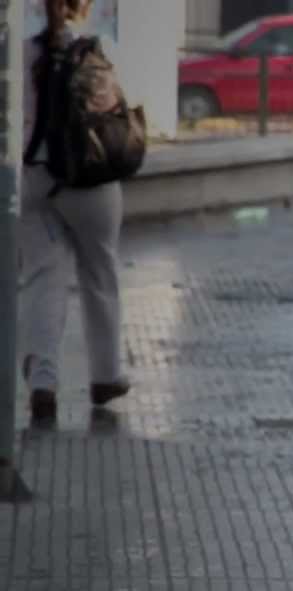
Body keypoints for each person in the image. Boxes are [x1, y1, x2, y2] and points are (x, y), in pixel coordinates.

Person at [20, 0, 130, 426]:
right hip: (89, 180)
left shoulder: (19, 50)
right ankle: (104, 376)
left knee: (42, 278)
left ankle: (42, 387)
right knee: (100, 273)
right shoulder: (95, 50)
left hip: (35, 177)